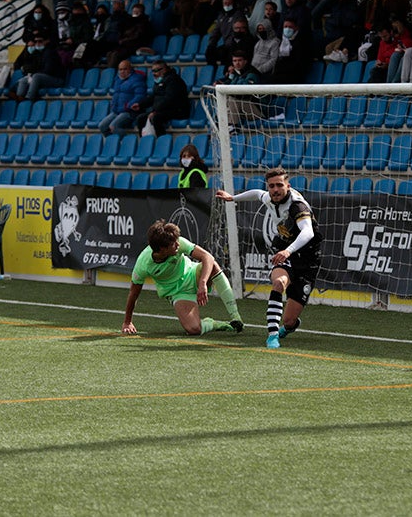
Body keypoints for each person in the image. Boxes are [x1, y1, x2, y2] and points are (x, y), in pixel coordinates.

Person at [215, 167, 322, 349]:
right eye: (271, 186)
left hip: (307, 258)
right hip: (284, 250)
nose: (275, 190)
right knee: (279, 282)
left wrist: (288, 251)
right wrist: (233, 198)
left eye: (279, 185)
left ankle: (288, 326)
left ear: (287, 186)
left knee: (289, 321)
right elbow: (257, 194)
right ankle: (272, 335)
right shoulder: (270, 197)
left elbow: (308, 232)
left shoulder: (297, 205)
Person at [122, 219, 243, 336]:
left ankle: (236, 317)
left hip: (193, 274)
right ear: (162, 249)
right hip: (177, 293)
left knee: (213, 265)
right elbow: (134, 294)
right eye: (173, 244)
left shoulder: (179, 243)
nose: (178, 244)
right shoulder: (143, 264)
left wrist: (202, 283)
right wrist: (127, 322)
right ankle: (213, 324)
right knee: (193, 329)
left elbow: (208, 257)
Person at [132, 61, 189, 136]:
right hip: (163, 110)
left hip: (177, 110)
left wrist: (155, 111)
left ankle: (161, 140)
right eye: (152, 71)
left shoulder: (174, 80)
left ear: (164, 70)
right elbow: (154, 96)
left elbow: (170, 99)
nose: (154, 73)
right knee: (140, 118)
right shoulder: (159, 81)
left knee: (156, 118)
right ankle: (144, 141)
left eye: (156, 70)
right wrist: (140, 105)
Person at [97, 60, 147, 135]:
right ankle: (114, 142)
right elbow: (116, 95)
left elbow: (140, 96)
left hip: (129, 111)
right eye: (120, 69)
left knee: (113, 126)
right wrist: (114, 104)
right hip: (117, 110)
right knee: (102, 126)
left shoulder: (137, 79)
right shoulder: (118, 80)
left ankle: (126, 142)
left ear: (130, 69)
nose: (122, 71)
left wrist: (128, 106)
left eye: (125, 69)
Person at [12, 32, 66, 101]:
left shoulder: (50, 52)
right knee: (24, 80)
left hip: (56, 79)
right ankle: (19, 98)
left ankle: (29, 98)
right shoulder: (38, 52)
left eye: (40, 41)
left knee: (36, 76)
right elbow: (32, 66)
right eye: (35, 41)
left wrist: (33, 74)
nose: (37, 43)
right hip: (44, 76)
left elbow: (48, 70)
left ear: (47, 41)